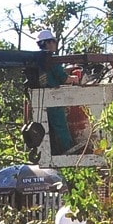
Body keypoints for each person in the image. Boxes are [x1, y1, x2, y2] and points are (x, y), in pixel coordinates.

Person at [35, 28, 74, 157]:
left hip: (42, 97)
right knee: (60, 126)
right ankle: (68, 150)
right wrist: (75, 78)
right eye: (53, 42)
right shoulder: (51, 59)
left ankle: (55, 151)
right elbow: (63, 78)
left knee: (49, 128)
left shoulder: (37, 59)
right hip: (53, 97)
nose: (55, 44)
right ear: (47, 43)